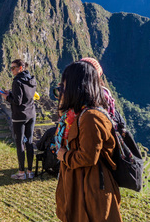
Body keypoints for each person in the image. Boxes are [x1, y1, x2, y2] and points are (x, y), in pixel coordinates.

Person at [54, 61, 121, 222]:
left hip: (91, 189)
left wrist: (64, 155)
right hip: (79, 184)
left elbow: (88, 157)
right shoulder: (79, 114)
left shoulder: (91, 117)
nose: (62, 88)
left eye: (65, 85)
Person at [1, 59, 37, 180]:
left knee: (20, 143)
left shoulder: (17, 81)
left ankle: (21, 172)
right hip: (31, 114)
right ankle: (30, 172)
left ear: (20, 68)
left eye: (13, 68)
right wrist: (11, 92)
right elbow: (26, 94)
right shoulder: (32, 79)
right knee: (30, 142)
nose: (12, 70)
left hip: (20, 116)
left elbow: (17, 101)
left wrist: (6, 97)